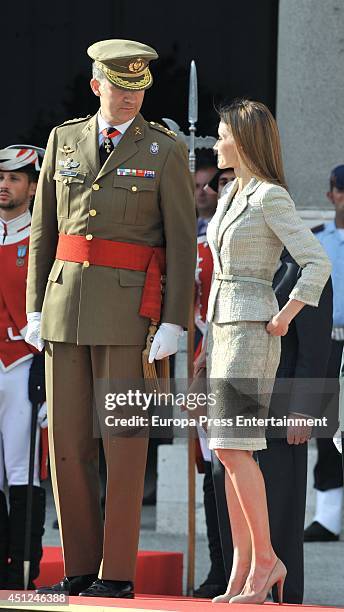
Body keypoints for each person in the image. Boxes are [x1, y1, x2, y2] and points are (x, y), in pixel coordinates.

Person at [26, 39, 196, 599]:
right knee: (68, 444)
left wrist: (173, 322)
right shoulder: (63, 139)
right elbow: (45, 229)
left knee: (125, 443)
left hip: (132, 316)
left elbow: (179, 243)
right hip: (65, 308)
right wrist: (34, 305)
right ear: (97, 86)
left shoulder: (165, 150)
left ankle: (117, 571)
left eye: (139, 90)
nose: (129, 100)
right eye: (120, 89)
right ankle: (78, 564)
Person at [197, 98, 331, 605]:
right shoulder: (232, 193)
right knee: (229, 455)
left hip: (253, 332)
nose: (215, 142)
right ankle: (243, 567)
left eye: (221, 134)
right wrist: (207, 342)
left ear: (244, 139)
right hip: (222, 329)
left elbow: (316, 263)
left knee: (234, 448)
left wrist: (284, 316)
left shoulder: (272, 197)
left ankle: (268, 558)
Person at [211, 249, 333, 603]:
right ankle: (244, 576)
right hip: (237, 391)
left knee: (281, 498)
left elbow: (315, 347)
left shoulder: (304, 266)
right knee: (227, 481)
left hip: (283, 400)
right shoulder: (239, 262)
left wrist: (304, 410)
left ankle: (285, 596)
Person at [0, 146, 47, 589]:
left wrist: (49, 377)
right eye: (0, 177)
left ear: (32, 187)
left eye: (14, 178)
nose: (4, 184)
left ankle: (22, 571)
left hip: (23, 363)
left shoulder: (41, 236)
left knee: (22, 468)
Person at [304, 165, 344, 542]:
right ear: (330, 193)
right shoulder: (316, 240)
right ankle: (328, 517)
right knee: (327, 427)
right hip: (329, 340)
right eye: (341, 189)